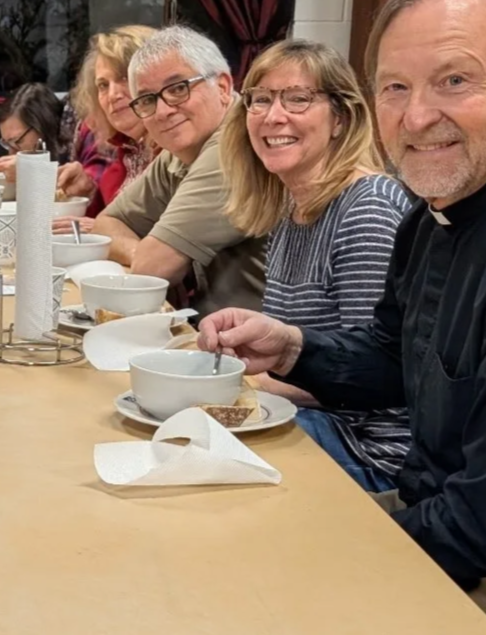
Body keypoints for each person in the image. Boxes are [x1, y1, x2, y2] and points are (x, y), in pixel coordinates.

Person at [198, 0, 486, 603]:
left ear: (340, 117)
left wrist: (324, 561)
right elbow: (393, 361)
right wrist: (292, 348)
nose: (416, 117)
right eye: (396, 88)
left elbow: (472, 525)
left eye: (455, 80)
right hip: (424, 512)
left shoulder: (377, 206)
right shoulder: (427, 224)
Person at [219, 39, 414, 492]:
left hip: (373, 451)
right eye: (260, 99)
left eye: (298, 98)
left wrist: (244, 385)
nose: (273, 116)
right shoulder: (292, 209)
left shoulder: (367, 209)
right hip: (322, 421)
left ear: (340, 119)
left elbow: (374, 381)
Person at [91, 26, 265, 317]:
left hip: (268, 341)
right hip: (215, 328)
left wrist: (148, 254)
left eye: (178, 89)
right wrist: (141, 252)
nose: (162, 111)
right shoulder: (181, 148)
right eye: (147, 100)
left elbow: (153, 268)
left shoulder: (236, 145)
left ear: (223, 87)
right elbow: (106, 224)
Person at [55, 25, 158, 232]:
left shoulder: (177, 153)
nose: (113, 95)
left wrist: (100, 230)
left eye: (124, 77)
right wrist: (87, 191)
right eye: (103, 85)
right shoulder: (125, 154)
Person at [0, 83, 66, 183]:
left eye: (18, 141)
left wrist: (29, 172)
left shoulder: (75, 146)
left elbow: (70, 183)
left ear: (41, 127)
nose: (11, 153)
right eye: (7, 144)